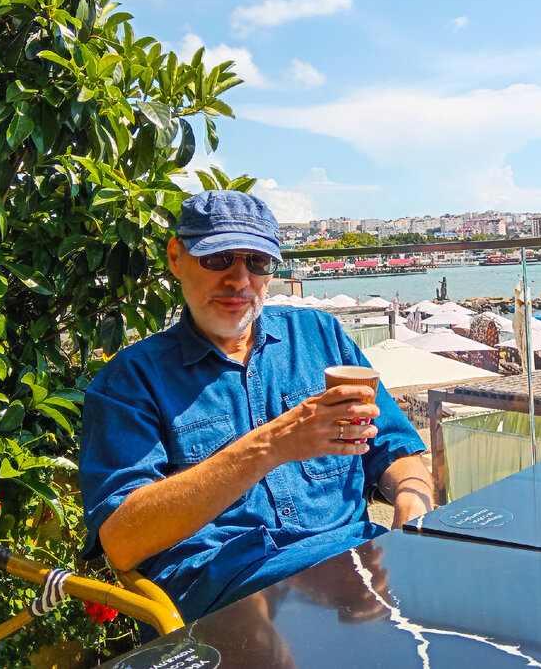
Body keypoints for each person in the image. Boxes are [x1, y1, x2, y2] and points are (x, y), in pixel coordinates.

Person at [79, 190, 433, 622]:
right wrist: (271, 445)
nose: (239, 280)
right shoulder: (130, 381)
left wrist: (413, 506)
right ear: (176, 257)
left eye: (257, 262)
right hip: (230, 601)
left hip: (357, 568)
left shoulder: (320, 336)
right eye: (218, 259)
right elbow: (122, 541)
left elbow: (395, 448)